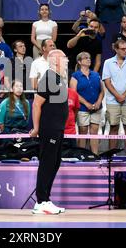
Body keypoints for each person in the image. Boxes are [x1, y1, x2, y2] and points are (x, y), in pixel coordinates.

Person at [30, 49, 68, 215]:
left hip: (58, 128)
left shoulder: (58, 78)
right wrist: (36, 127)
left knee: (55, 162)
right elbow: (36, 104)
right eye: (64, 58)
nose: (67, 61)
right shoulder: (48, 77)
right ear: (56, 61)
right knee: (47, 163)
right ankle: (41, 200)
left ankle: (46, 199)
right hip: (49, 128)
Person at [102, 39, 126, 156]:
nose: (125, 51)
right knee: (113, 127)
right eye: (122, 49)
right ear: (116, 49)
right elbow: (107, 82)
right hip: (112, 101)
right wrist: (118, 96)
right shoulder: (108, 62)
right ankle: (112, 154)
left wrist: (123, 96)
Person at [70, 52, 104, 154]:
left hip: (97, 108)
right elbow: (74, 93)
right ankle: (82, 155)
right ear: (79, 62)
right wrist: (86, 104)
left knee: (94, 132)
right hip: (83, 109)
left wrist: (98, 102)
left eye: (89, 58)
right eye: (85, 58)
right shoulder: (75, 76)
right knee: (83, 132)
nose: (89, 59)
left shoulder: (96, 74)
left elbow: (102, 91)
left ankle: (95, 155)